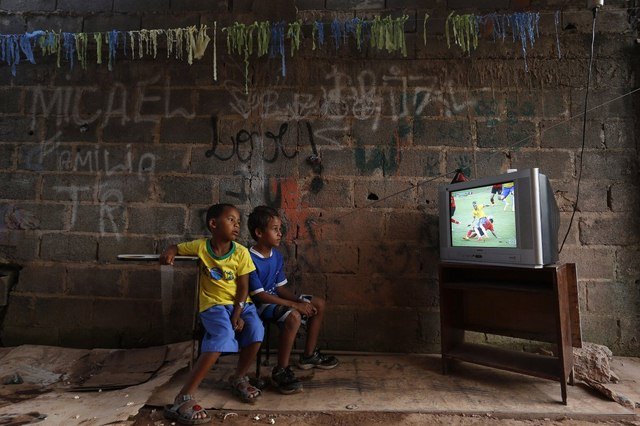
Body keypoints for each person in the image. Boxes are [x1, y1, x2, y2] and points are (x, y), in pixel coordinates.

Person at [160, 203, 264, 425]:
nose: (237, 225)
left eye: (238, 221)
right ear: (214, 224)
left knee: (256, 330)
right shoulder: (200, 247)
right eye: (231, 220)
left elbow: (244, 288)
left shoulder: (242, 252)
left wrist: (237, 313)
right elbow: (177, 248)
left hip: (240, 303)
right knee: (222, 336)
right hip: (214, 305)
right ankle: (183, 397)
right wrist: (171, 249)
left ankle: (238, 377)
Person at [247, 206, 338, 395]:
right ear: (259, 233)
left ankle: (308, 356)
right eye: (275, 229)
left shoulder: (276, 256)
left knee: (318, 303)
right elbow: (260, 295)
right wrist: (296, 306)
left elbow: (280, 288)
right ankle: (281, 371)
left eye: (280, 229)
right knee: (294, 317)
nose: (280, 233)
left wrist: (301, 302)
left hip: (276, 299)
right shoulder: (248, 258)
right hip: (260, 306)